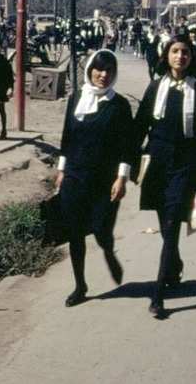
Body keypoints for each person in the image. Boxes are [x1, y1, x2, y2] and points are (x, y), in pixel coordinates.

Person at [134, 34, 196, 317]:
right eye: (175, 51)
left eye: (186, 52)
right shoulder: (156, 88)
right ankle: (175, 263)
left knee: (171, 223)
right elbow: (140, 126)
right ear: (166, 55)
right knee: (166, 225)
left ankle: (157, 295)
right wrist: (127, 165)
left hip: (185, 164)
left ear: (192, 58)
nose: (181, 56)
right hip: (157, 164)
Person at [54, 50, 134, 307]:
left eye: (109, 70)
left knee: (101, 229)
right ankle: (80, 285)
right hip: (75, 175)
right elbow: (67, 136)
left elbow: (127, 146)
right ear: (89, 70)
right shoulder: (77, 98)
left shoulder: (119, 105)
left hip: (103, 178)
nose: (103, 75)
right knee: (75, 232)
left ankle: (108, 249)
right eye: (99, 69)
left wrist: (121, 178)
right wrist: (61, 170)